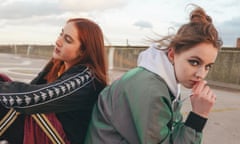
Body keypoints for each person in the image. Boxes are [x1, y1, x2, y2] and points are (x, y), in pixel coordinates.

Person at [84, 5, 222, 144]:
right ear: (172, 54)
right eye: (194, 62)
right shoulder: (152, 89)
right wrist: (199, 116)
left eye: (208, 66)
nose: (201, 74)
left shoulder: (162, 79)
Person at [0, 18, 108, 144]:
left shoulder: (86, 78)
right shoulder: (58, 65)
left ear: (82, 51)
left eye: (67, 40)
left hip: (61, 139)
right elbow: (31, 88)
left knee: (20, 101)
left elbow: (32, 98)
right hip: (43, 130)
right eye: (61, 34)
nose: (58, 41)